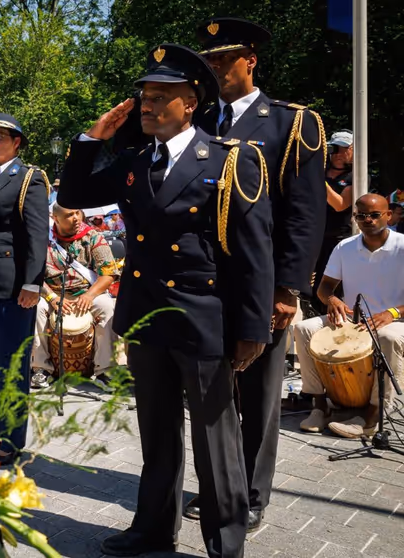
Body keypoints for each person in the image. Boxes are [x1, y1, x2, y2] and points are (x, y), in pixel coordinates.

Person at [59, 44, 274, 557]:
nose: (149, 106)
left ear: (191, 103)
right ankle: (153, 528)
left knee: (214, 442)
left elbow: (254, 252)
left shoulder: (228, 160)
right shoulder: (135, 161)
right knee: (156, 434)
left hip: (202, 320)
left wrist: (253, 330)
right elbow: (75, 192)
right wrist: (93, 138)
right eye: (145, 97)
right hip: (146, 315)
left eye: (162, 97)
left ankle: (225, 542)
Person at [192, 17, 327, 530]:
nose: (216, 68)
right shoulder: (199, 120)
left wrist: (288, 287)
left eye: (224, 59)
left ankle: (249, 494)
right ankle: (217, 485)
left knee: (258, 392)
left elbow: (304, 213)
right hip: (202, 280)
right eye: (209, 61)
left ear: (250, 60)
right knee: (210, 392)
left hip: (261, 280)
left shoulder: (290, 123)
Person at [293, 195, 404, 438]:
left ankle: (373, 415)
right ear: (354, 218)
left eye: (374, 215)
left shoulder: (402, 246)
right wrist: (332, 300)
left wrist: (392, 312)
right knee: (304, 329)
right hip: (355, 319)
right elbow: (324, 289)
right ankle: (319, 406)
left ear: (388, 215)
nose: (368, 220)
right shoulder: (345, 247)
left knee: (388, 337)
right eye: (361, 215)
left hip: (396, 320)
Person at [0, 113, 49, 462]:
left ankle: (10, 442)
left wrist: (32, 283)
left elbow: (37, 235)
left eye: (0, 136)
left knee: (10, 367)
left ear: (16, 142)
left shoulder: (28, 178)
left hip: (12, 285)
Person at [30, 205, 117, 388]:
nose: (76, 218)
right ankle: (41, 368)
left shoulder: (93, 237)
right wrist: (52, 298)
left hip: (87, 292)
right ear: (55, 217)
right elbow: (34, 275)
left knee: (108, 307)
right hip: (53, 293)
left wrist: (89, 295)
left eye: (77, 213)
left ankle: (105, 370)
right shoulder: (42, 240)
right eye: (69, 215)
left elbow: (108, 274)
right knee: (37, 308)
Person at [306, 130, 355, 316]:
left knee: (332, 282)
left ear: (352, 151)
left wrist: (318, 179)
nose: (338, 154)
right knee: (312, 282)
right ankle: (312, 314)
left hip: (338, 237)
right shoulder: (322, 171)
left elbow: (340, 204)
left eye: (343, 149)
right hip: (314, 233)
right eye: (334, 149)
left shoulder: (355, 176)